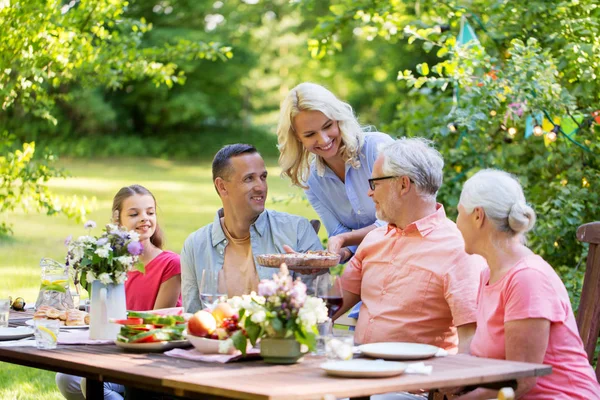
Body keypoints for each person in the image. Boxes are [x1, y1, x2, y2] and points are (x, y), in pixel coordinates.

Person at [452, 169, 600, 399]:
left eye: (459, 213)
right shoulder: (488, 274)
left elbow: (520, 381)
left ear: (478, 216)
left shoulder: (527, 279)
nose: (456, 222)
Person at [333, 137, 486, 354]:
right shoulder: (374, 239)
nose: (370, 192)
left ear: (403, 184)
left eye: (375, 183)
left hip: (417, 382)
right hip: (360, 371)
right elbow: (332, 304)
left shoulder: (458, 249)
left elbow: (471, 339)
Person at [56, 184, 181, 400]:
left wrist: (92, 317)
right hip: (115, 349)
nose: (144, 218)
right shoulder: (110, 263)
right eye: (134, 214)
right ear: (117, 221)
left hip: (148, 356)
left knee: (92, 384)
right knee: (65, 378)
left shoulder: (170, 264)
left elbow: (155, 323)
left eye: (150, 212)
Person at [181, 144, 323, 313]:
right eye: (249, 179)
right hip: (217, 339)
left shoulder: (297, 231)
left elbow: (317, 308)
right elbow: (192, 317)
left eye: (263, 177)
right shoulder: (195, 245)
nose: (260, 187)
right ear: (222, 187)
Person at [277, 82, 394, 262]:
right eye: (310, 135)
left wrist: (344, 239)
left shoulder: (377, 149)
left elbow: (396, 219)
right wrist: (329, 256)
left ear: (339, 119)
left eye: (327, 126)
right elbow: (338, 233)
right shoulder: (311, 179)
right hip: (370, 264)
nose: (323, 139)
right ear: (297, 138)